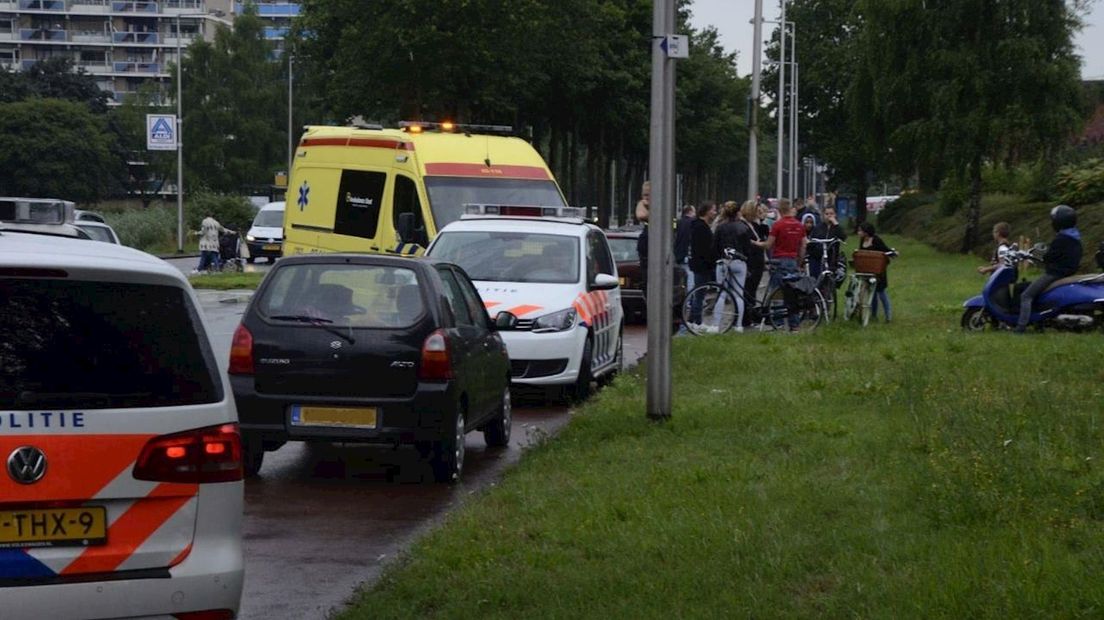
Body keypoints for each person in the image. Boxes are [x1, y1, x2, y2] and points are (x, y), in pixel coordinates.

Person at [1015, 205, 1082, 334]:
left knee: (1026, 295)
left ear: (1059, 222)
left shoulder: (1062, 238)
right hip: (1067, 272)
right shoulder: (1074, 236)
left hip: (1055, 273)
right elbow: (1059, 254)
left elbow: (1048, 257)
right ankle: (1038, 322)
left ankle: (1020, 327)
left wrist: (1037, 254)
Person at [756, 200, 807, 330]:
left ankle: (777, 322)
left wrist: (754, 243)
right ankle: (794, 325)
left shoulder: (777, 225)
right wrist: (799, 261)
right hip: (793, 260)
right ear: (790, 209)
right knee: (792, 292)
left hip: (779, 260)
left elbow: (768, 244)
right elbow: (803, 245)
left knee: (776, 293)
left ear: (779, 210)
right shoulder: (799, 225)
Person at [712, 201, 752, 331]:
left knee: (722, 293)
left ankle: (716, 325)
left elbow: (715, 247)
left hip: (724, 262)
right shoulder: (743, 227)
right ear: (738, 212)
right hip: (739, 263)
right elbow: (748, 248)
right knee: (738, 294)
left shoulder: (720, 227)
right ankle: (738, 325)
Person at [686, 202, 718, 325]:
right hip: (702, 265)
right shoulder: (701, 227)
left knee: (699, 293)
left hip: (699, 264)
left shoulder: (699, 226)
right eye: (713, 210)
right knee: (699, 294)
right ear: (707, 211)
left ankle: (693, 319)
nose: (715, 213)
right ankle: (696, 322)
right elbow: (703, 249)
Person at [857, 222, 894, 322]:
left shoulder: (876, 240)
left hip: (878, 271)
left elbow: (885, 250)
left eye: (860, 231)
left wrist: (892, 253)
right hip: (867, 270)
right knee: (871, 293)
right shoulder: (862, 240)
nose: (858, 233)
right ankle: (873, 315)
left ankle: (888, 315)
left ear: (866, 232)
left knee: (881, 292)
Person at [742, 201, 768, 328]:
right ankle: (746, 318)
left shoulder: (756, 225)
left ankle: (751, 315)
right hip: (751, 261)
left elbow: (764, 238)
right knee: (748, 289)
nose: (759, 212)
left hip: (758, 261)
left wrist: (762, 221)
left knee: (752, 289)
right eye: (757, 210)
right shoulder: (744, 226)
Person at [807, 205, 848, 279]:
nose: (829, 216)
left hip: (832, 257)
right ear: (823, 215)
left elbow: (843, 237)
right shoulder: (818, 228)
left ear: (835, 214)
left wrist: (835, 224)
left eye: (831, 214)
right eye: (827, 214)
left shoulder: (836, 228)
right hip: (818, 257)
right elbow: (812, 241)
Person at [673, 204, 696, 285]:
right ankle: (690, 296)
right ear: (690, 212)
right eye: (694, 211)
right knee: (690, 275)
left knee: (681, 276)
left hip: (678, 254)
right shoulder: (693, 223)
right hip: (688, 253)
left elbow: (674, 236)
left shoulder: (678, 222)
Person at [635, 181, 650, 295]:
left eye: (649, 194)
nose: (646, 197)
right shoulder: (642, 204)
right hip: (646, 249)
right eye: (645, 195)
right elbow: (641, 215)